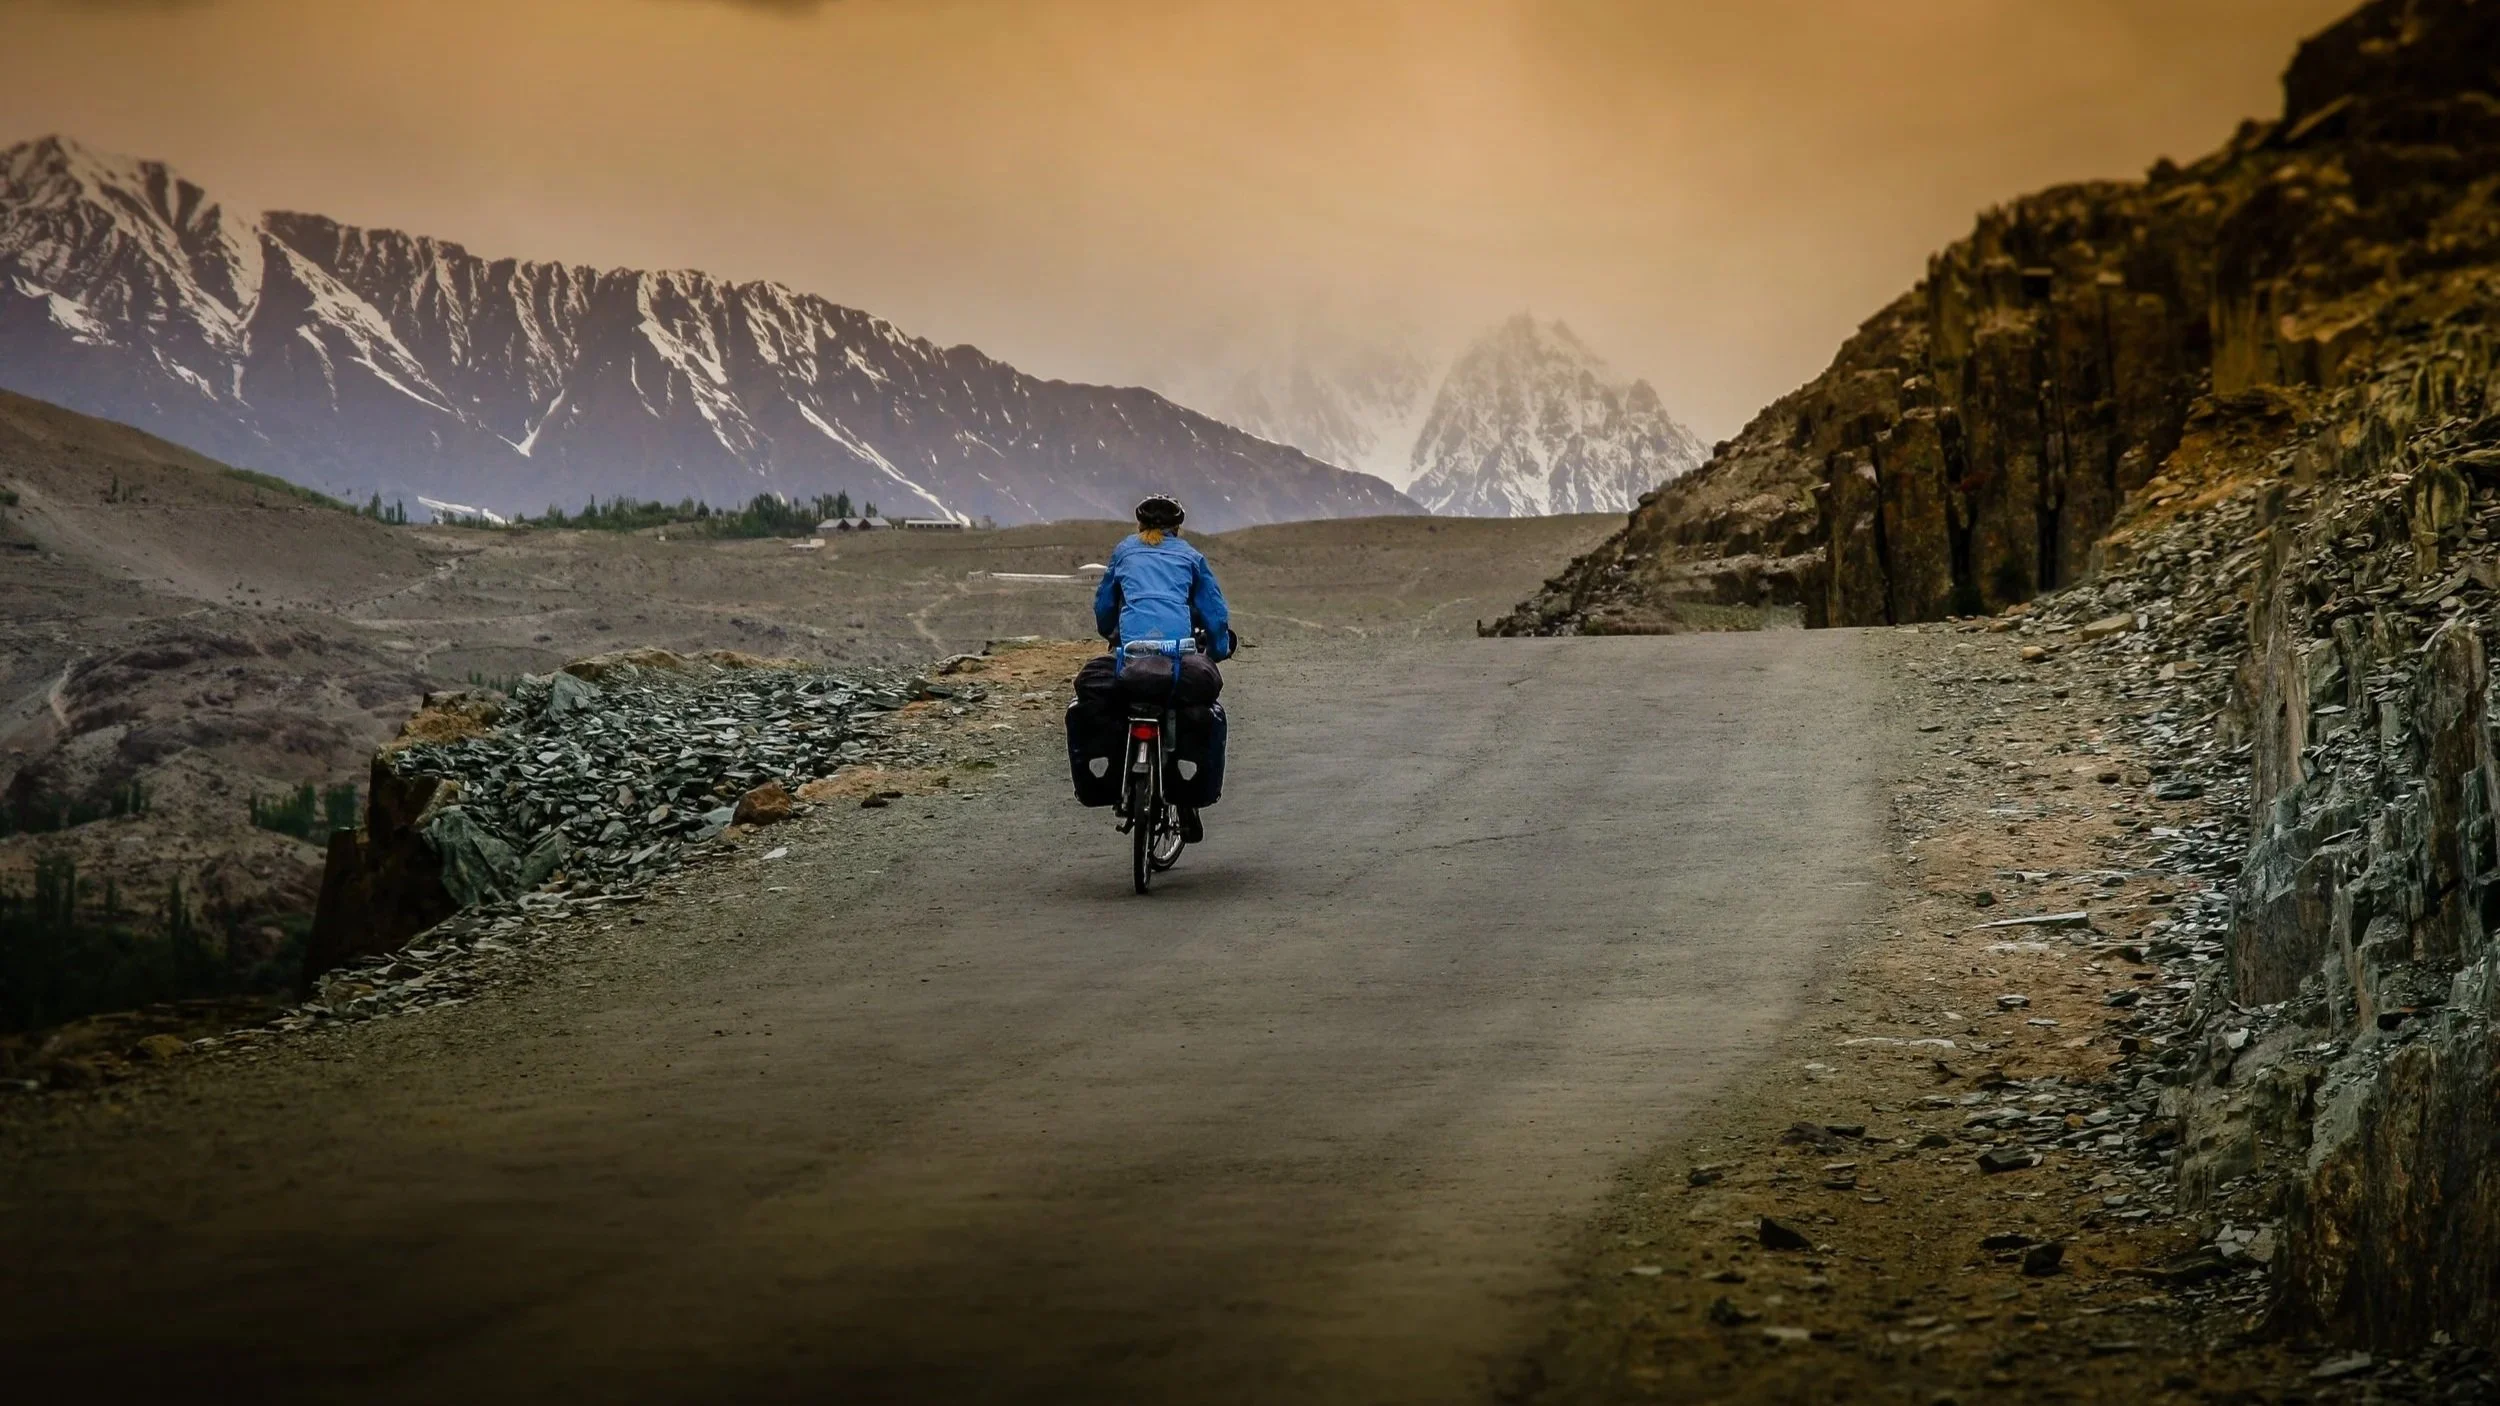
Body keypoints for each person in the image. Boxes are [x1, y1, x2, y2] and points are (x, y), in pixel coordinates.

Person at [1092, 494, 1234, 841]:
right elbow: (1214, 612)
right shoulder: (1190, 556)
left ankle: (1122, 780)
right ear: (1177, 528)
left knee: (1124, 695)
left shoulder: (1124, 551)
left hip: (1133, 653)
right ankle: (1186, 803)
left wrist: (1110, 630)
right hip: (1177, 653)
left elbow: (1104, 605)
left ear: (1140, 525)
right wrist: (1217, 649)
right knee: (1183, 704)